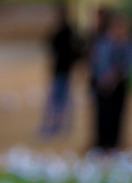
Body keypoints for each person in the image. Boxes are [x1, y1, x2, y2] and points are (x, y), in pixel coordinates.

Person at [90, 13, 132, 152]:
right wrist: (105, 77)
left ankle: (114, 143)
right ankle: (101, 143)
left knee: (118, 114)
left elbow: (131, 63)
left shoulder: (129, 44)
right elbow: (98, 62)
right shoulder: (103, 42)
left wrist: (117, 76)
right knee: (103, 114)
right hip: (103, 83)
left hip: (120, 83)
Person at [39, 3, 81, 138]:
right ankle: (56, 127)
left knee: (61, 100)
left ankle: (59, 127)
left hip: (64, 69)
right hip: (60, 69)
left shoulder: (67, 31)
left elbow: (74, 50)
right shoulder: (62, 31)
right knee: (58, 100)